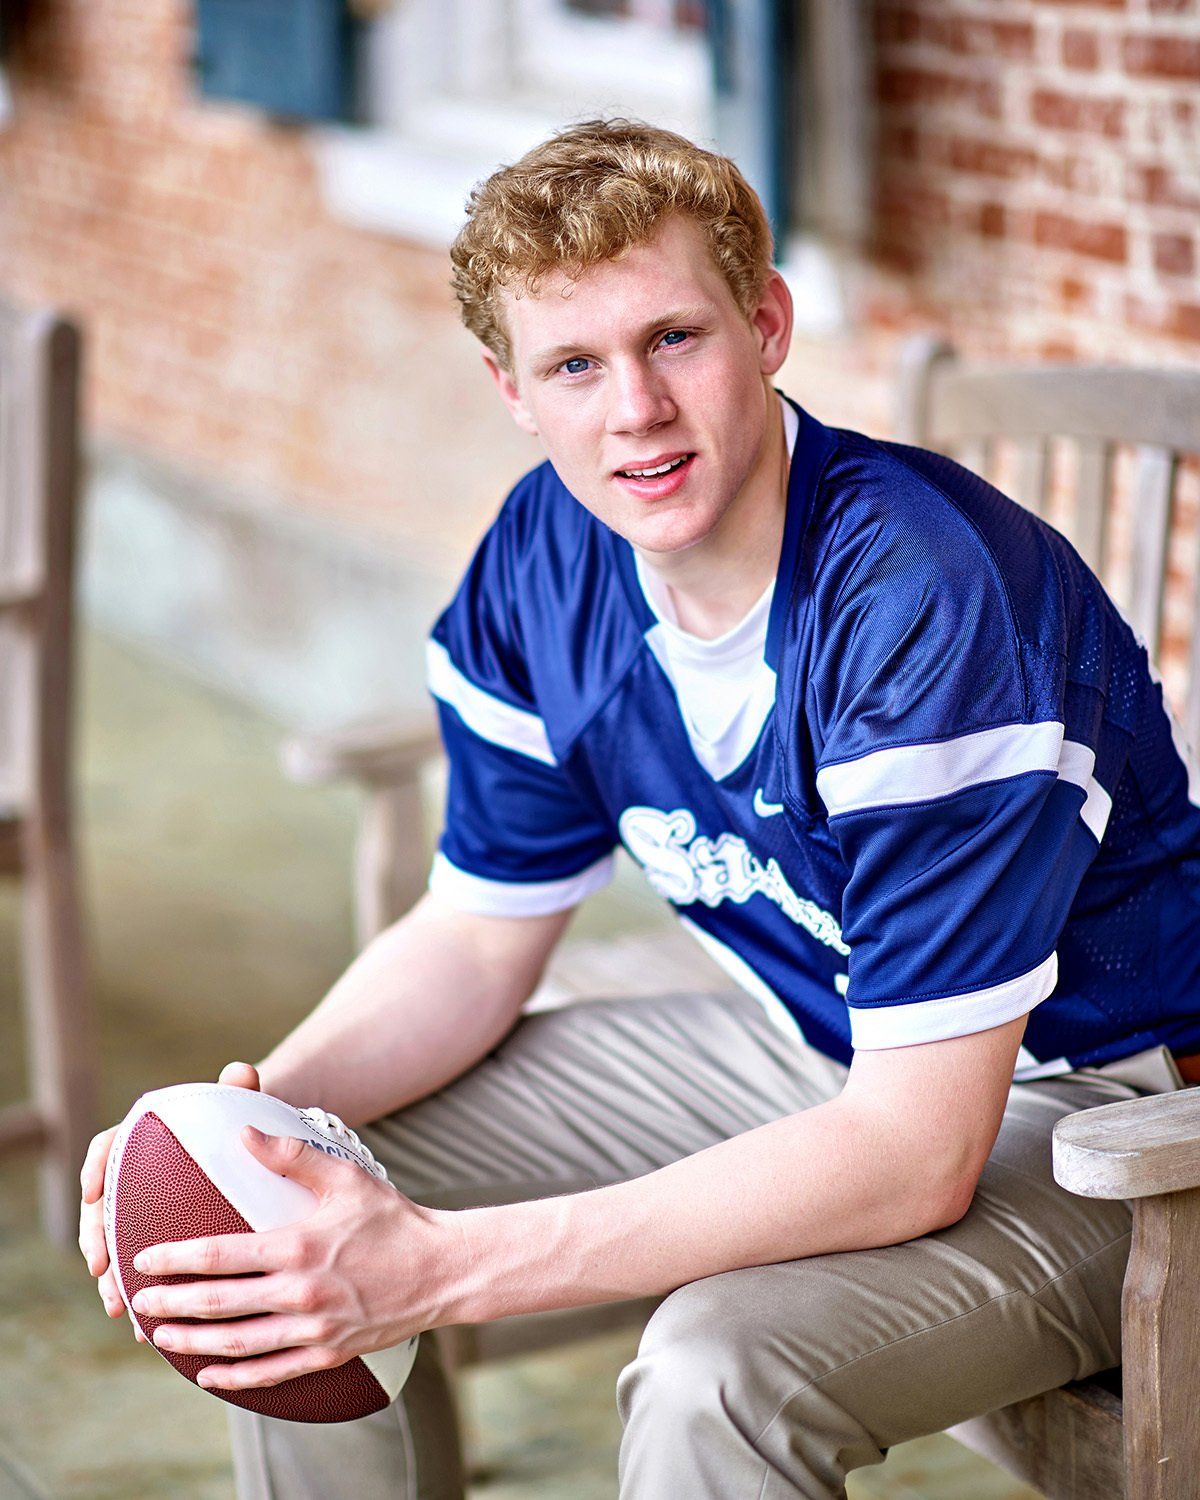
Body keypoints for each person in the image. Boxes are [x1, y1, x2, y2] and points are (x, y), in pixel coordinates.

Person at [80, 120, 1200, 1499]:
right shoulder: (550, 556)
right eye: (575, 363)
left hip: (1103, 1120)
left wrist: (434, 1271)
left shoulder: (929, 603)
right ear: (512, 389)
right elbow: (477, 938)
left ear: (769, 323)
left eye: (674, 338)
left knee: (709, 1375)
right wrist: (218, 1132)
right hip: (819, 1035)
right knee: (272, 1221)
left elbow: (914, 1151)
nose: (635, 411)